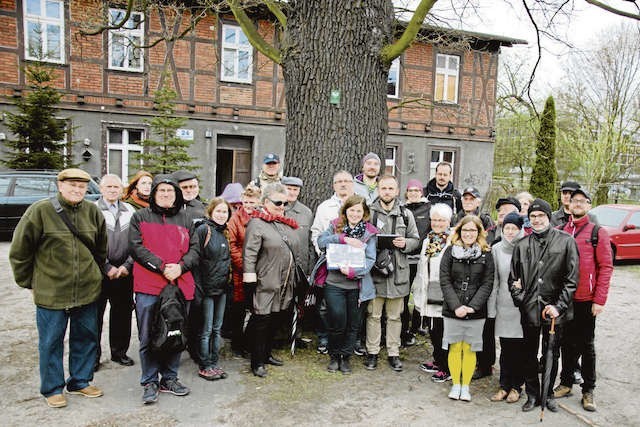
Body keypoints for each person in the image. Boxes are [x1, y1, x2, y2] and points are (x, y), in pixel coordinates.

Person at [10, 168, 108, 408]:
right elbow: (20, 251)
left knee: (85, 338)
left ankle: (80, 381)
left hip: (87, 290)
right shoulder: (40, 211)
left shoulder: (93, 212)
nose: (77, 190)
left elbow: (101, 249)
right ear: (60, 185)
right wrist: (29, 283)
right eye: (72, 185)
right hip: (51, 291)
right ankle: (52, 388)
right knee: (51, 341)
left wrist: (95, 275)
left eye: (82, 186)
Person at [129, 174, 200, 404]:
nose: (166, 195)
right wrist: (161, 266)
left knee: (175, 333)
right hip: (149, 285)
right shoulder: (140, 217)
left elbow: (195, 251)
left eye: (170, 192)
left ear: (176, 195)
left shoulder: (187, 218)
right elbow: (136, 248)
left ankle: (169, 377)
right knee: (148, 335)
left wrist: (180, 267)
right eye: (161, 191)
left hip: (180, 285)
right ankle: (149, 380)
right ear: (154, 194)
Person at [509, 198, 579, 413]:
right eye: (532, 216)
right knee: (528, 353)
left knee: (551, 352)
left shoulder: (566, 241)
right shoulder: (522, 245)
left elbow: (572, 278)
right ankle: (532, 394)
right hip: (529, 308)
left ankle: (548, 394)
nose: (537, 220)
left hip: (555, 310)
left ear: (548, 217)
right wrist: (520, 298)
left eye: (540, 216)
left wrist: (559, 306)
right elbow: (513, 279)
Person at [553, 188, 613, 412]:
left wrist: (600, 300)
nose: (577, 203)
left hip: (586, 299)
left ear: (589, 205)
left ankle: (588, 390)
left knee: (586, 346)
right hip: (564, 299)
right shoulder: (560, 230)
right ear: (568, 204)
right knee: (566, 344)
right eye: (574, 200)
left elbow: (606, 267)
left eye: (582, 201)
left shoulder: (597, 232)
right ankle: (566, 382)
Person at [243, 183, 301, 378]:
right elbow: (249, 254)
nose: (282, 206)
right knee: (262, 320)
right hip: (265, 280)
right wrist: (250, 279)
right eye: (278, 202)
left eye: (285, 203)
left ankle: (267, 354)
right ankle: (257, 361)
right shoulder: (257, 223)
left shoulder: (283, 222)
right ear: (266, 202)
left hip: (284, 280)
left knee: (275, 318)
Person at [365, 175, 420, 372]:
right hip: (376, 274)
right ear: (378, 190)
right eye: (383, 188)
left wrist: (405, 243)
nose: (387, 192)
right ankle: (372, 352)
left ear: (397, 191)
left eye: (391, 188)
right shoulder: (369, 212)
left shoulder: (406, 214)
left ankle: (393, 353)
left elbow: (416, 239)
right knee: (373, 315)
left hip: (398, 273)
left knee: (395, 317)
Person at [317, 195, 378, 374]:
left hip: (357, 286)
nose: (355, 214)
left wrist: (353, 272)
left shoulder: (369, 232)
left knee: (353, 324)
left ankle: (346, 357)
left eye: (359, 210)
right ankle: (334, 355)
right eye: (351, 210)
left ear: (364, 213)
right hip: (334, 283)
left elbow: (370, 258)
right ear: (345, 211)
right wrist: (342, 239)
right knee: (337, 319)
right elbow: (321, 242)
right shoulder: (335, 225)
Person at [439, 216, 494, 402]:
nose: (468, 234)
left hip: (475, 311)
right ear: (459, 232)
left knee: (470, 348)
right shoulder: (449, 252)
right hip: (453, 309)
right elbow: (445, 280)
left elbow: (487, 283)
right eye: (465, 230)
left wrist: (472, 307)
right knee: (455, 347)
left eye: (472, 230)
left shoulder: (486, 254)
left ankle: (465, 386)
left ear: (479, 232)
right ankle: (455, 384)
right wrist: (456, 306)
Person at [310, 170, 356, 355]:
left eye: (346, 181)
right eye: (339, 182)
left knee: (353, 304)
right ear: (334, 185)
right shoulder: (325, 207)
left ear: (352, 184)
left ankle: (350, 340)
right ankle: (324, 336)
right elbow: (317, 233)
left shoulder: (361, 204)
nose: (343, 184)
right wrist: (323, 252)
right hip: (329, 261)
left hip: (354, 263)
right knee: (325, 304)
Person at [94, 174, 136, 371]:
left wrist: (127, 265)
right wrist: (107, 267)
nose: (112, 190)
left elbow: (138, 242)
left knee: (122, 313)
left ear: (122, 190)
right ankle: (93, 357)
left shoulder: (130, 210)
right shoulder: (93, 210)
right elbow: (90, 245)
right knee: (94, 316)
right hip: (100, 273)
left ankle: (119, 352)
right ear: (101, 189)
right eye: (108, 186)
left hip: (125, 272)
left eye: (116, 187)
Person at [413, 203, 453, 383]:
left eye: (441, 220)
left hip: (442, 291)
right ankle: (437, 360)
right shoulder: (429, 239)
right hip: (427, 289)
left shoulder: (452, 240)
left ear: (448, 221)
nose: (437, 223)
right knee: (433, 328)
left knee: (443, 330)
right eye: (434, 220)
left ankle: (447, 367)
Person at [488, 212, 525, 404]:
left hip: (521, 306)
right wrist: (491, 308)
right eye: (507, 228)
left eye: (514, 228)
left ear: (520, 230)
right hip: (503, 304)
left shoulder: (526, 247)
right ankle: (504, 385)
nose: (510, 232)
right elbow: (493, 280)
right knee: (505, 347)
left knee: (519, 348)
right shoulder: (496, 249)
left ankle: (517, 386)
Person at [194, 198, 232, 381]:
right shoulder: (204, 230)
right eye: (218, 211)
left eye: (225, 212)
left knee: (217, 329)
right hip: (207, 289)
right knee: (206, 330)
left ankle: (214, 363)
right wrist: (199, 289)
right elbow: (196, 260)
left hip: (222, 288)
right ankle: (204, 365)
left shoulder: (225, 232)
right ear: (210, 212)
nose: (222, 215)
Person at [228, 184, 262, 358]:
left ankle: (251, 342)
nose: (249, 205)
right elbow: (232, 245)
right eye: (246, 201)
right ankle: (237, 343)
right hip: (240, 270)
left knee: (256, 307)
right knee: (239, 309)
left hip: (260, 268)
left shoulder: (262, 217)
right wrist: (246, 265)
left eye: (252, 201)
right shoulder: (235, 219)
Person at [402, 179, 431, 346]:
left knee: (420, 294)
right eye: (410, 190)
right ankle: (405, 330)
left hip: (422, 259)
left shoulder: (428, 208)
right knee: (404, 295)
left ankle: (417, 327)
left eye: (416, 190)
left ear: (421, 192)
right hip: (405, 259)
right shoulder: (402, 209)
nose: (413, 193)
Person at [283, 176, 314, 274]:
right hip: (280, 265)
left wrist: (310, 269)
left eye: (295, 190)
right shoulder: (276, 209)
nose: (292, 192)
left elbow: (311, 243)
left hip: (301, 267)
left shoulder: (306, 212)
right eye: (289, 189)